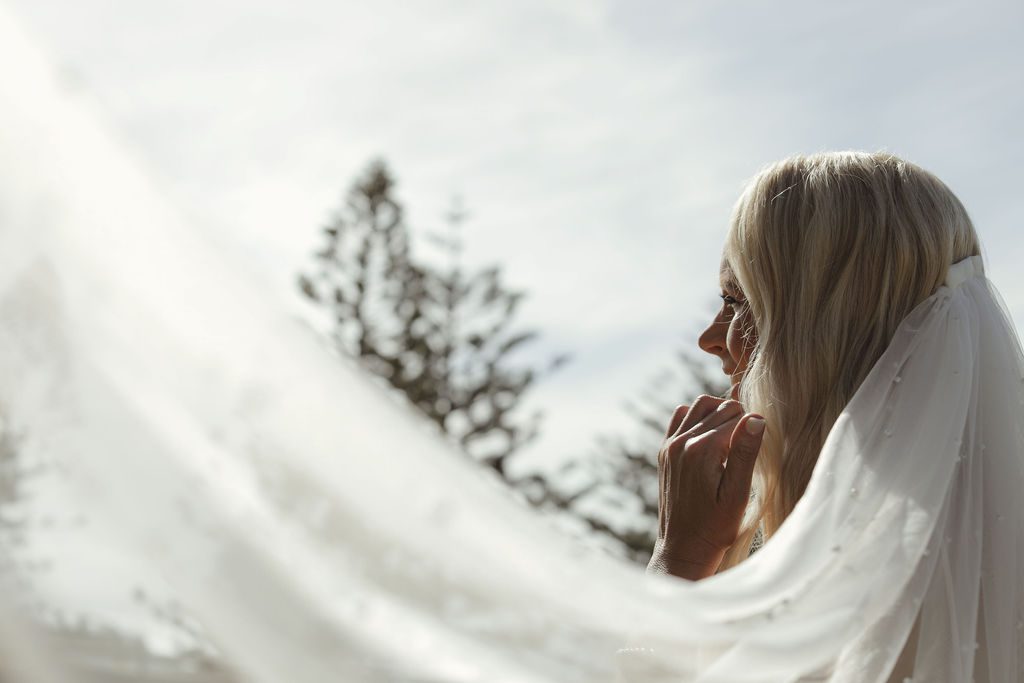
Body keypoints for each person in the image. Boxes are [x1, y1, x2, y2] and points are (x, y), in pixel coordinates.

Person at [640, 151, 1022, 680]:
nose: (710, 339)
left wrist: (679, 561)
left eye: (736, 300)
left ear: (819, 330)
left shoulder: (853, 619)